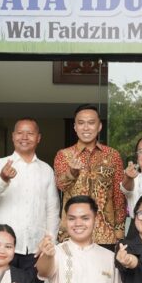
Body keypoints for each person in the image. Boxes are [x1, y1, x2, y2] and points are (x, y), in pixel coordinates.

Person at [0, 118, 60, 283]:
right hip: (3, 248)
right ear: (13, 136)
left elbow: (52, 210)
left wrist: (49, 242)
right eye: (20, 133)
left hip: (35, 249)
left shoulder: (46, 170)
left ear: (38, 138)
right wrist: (2, 179)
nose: (24, 137)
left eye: (30, 133)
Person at [52, 105, 126, 248]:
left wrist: (119, 232)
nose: (86, 128)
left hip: (105, 234)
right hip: (73, 233)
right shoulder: (64, 155)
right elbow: (61, 186)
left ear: (99, 126)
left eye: (91, 123)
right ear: (75, 127)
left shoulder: (113, 155)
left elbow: (118, 196)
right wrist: (72, 172)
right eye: (81, 123)